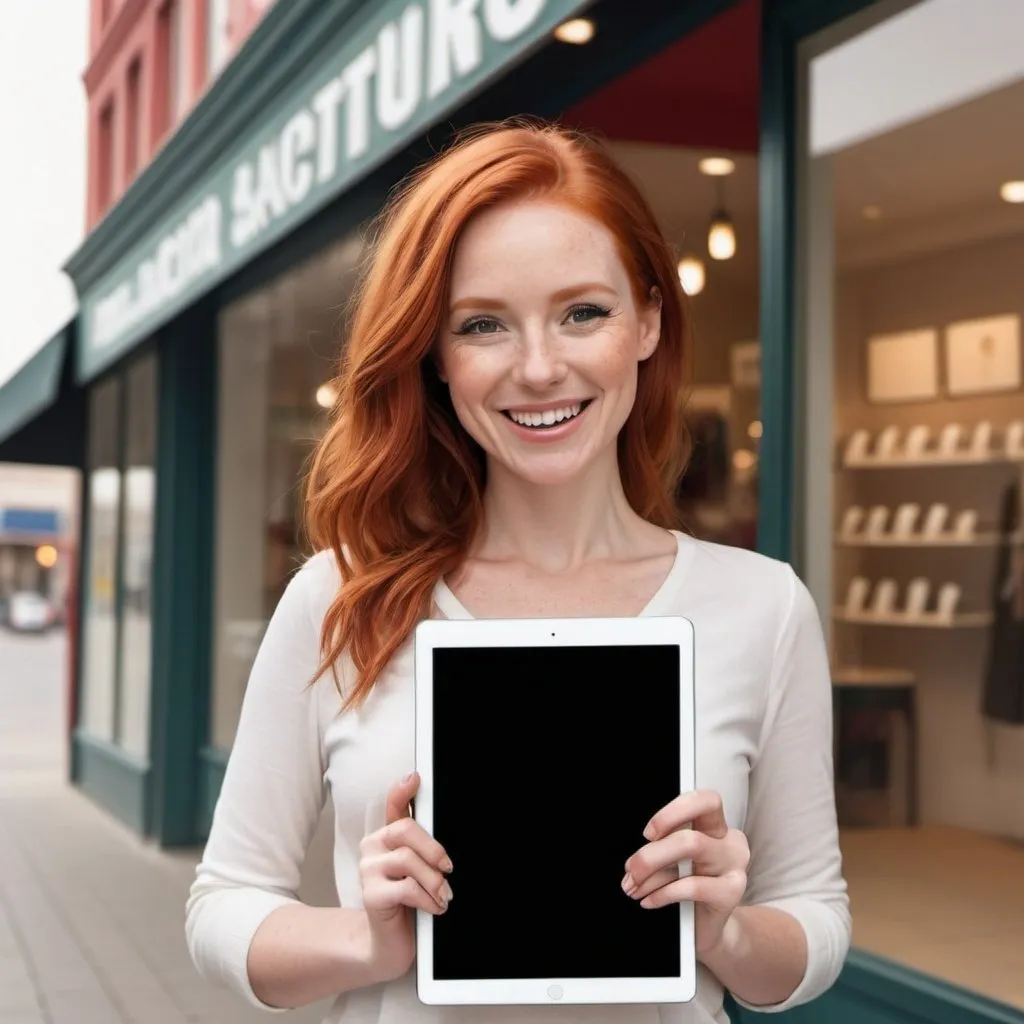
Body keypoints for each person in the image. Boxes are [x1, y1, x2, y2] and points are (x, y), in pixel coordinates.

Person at [185, 119, 850, 1024]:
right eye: (484, 324)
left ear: (648, 321)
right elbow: (222, 905)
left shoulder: (763, 606)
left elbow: (816, 921)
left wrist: (724, 933)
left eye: (584, 312)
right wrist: (366, 941)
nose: (539, 368)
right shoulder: (344, 597)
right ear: (437, 358)